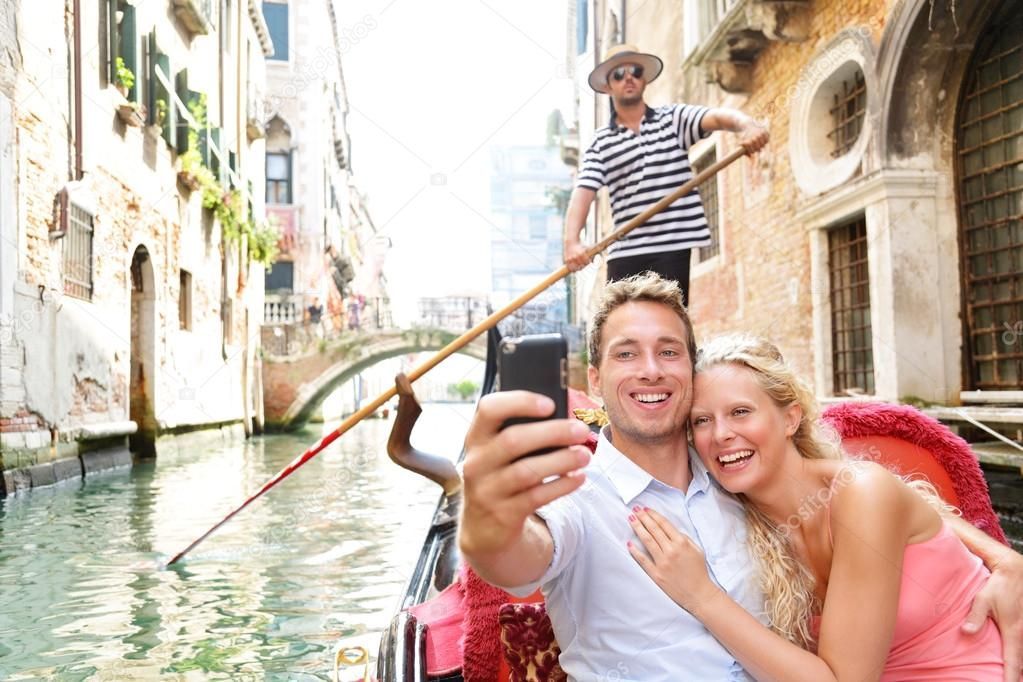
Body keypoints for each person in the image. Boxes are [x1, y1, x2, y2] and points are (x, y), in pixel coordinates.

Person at [457, 272, 1023, 681]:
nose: (651, 369)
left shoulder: (734, 476)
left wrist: (1005, 560)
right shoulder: (576, 494)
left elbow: (882, 499)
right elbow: (520, 554)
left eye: (669, 352)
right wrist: (487, 522)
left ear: (687, 370)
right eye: (627, 354)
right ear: (596, 379)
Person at [628, 333, 1008, 680]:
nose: (722, 434)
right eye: (702, 421)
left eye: (740, 412)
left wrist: (702, 597)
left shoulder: (861, 491)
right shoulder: (737, 523)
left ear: (790, 418)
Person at [562, 44, 769, 305]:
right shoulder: (601, 142)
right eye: (619, 73)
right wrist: (572, 242)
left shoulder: (673, 119)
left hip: (672, 246)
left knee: (669, 323)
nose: (629, 77)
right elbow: (583, 193)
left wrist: (747, 126)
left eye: (635, 71)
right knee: (618, 326)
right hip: (626, 249)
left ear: (644, 79)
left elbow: (717, 117)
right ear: (607, 86)